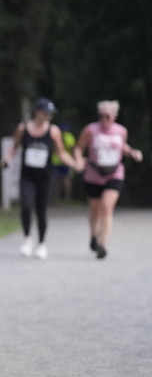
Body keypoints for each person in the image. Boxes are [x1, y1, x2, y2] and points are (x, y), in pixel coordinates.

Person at [0, 98, 81, 260]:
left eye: (50, 113)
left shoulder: (53, 131)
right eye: (45, 112)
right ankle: (27, 240)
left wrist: (74, 164)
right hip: (27, 176)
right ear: (36, 112)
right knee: (26, 206)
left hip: (45, 177)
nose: (48, 116)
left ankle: (42, 244)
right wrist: (6, 159)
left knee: (41, 210)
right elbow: (14, 147)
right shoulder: (23, 128)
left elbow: (61, 153)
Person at [72, 100, 143, 259]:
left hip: (114, 174)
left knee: (106, 207)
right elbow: (79, 148)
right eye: (102, 115)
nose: (104, 118)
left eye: (108, 116)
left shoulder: (121, 131)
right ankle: (93, 235)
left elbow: (122, 146)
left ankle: (102, 245)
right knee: (95, 210)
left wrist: (132, 152)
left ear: (115, 116)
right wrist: (78, 160)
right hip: (93, 174)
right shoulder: (90, 130)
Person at [50, 123, 77, 202]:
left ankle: (56, 197)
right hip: (66, 161)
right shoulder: (69, 136)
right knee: (66, 180)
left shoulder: (56, 135)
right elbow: (73, 149)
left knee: (56, 180)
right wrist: (74, 159)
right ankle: (67, 197)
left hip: (55, 161)